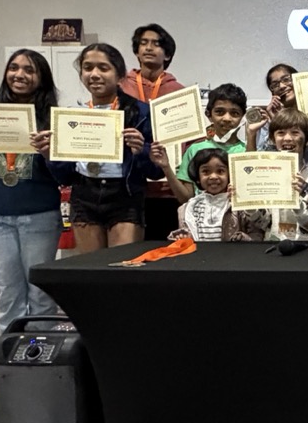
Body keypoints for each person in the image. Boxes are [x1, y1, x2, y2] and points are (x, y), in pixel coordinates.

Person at [0, 49, 63, 334]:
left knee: (40, 291)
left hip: (40, 214)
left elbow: (63, 176)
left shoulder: (52, 120)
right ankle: (11, 355)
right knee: (8, 291)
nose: (19, 75)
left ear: (41, 78)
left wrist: (49, 152)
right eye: (14, 68)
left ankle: (42, 352)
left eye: (29, 70)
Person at [34, 43, 161, 254]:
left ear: (120, 74)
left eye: (103, 68)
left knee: (122, 270)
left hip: (124, 195)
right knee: (90, 273)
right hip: (85, 194)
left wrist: (141, 150)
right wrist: (49, 154)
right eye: (87, 67)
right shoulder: (72, 116)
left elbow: (155, 171)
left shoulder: (141, 113)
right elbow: (64, 177)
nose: (94, 74)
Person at [122, 24, 185, 240]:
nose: (149, 48)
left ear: (167, 54)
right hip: (127, 187)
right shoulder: (121, 89)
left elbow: (190, 141)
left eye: (157, 44)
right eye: (144, 43)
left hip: (167, 189)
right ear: (136, 51)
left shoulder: (179, 92)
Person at [239, 107, 308, 242]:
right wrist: (247, 202)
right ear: (272, 140)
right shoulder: (268, 175)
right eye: (281, 133)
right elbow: (264, 222)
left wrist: (298, 197)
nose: (288, 138)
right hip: (274, 249)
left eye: (295, 133)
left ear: (307, 140)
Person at [172, 83, 247, 203]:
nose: (227, 118)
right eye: (219, 112)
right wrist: (165, 167)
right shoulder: (194, 149)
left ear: (243, 116)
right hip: (200, 218)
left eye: (235, 113)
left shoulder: (247, 150)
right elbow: (186, 198)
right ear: (209, 115)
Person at [169, 147, 258, 241]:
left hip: (235, 254)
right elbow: (185, 238)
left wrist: (244, 239)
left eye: (220, 171)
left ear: (230, 174)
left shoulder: (238, 204)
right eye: (206, 172)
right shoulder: (188, 208)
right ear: (197, 176)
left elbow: (257, 231)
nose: (213, 176)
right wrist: (182, 237)